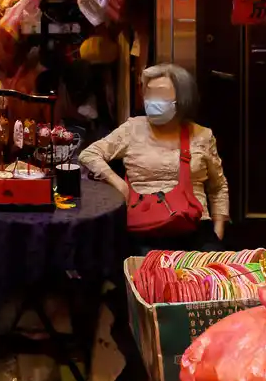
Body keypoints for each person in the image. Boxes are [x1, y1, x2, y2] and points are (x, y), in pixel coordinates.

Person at [79, 64, 229, 245]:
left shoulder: (202, 135)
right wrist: (117, 182)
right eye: (149, 94)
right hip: (143, 227)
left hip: (195, 227)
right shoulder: (132, 128)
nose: (152, 100)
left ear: (182, 98)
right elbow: (89, 154)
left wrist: (218, 231)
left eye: (161, 94)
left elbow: (218, 187)